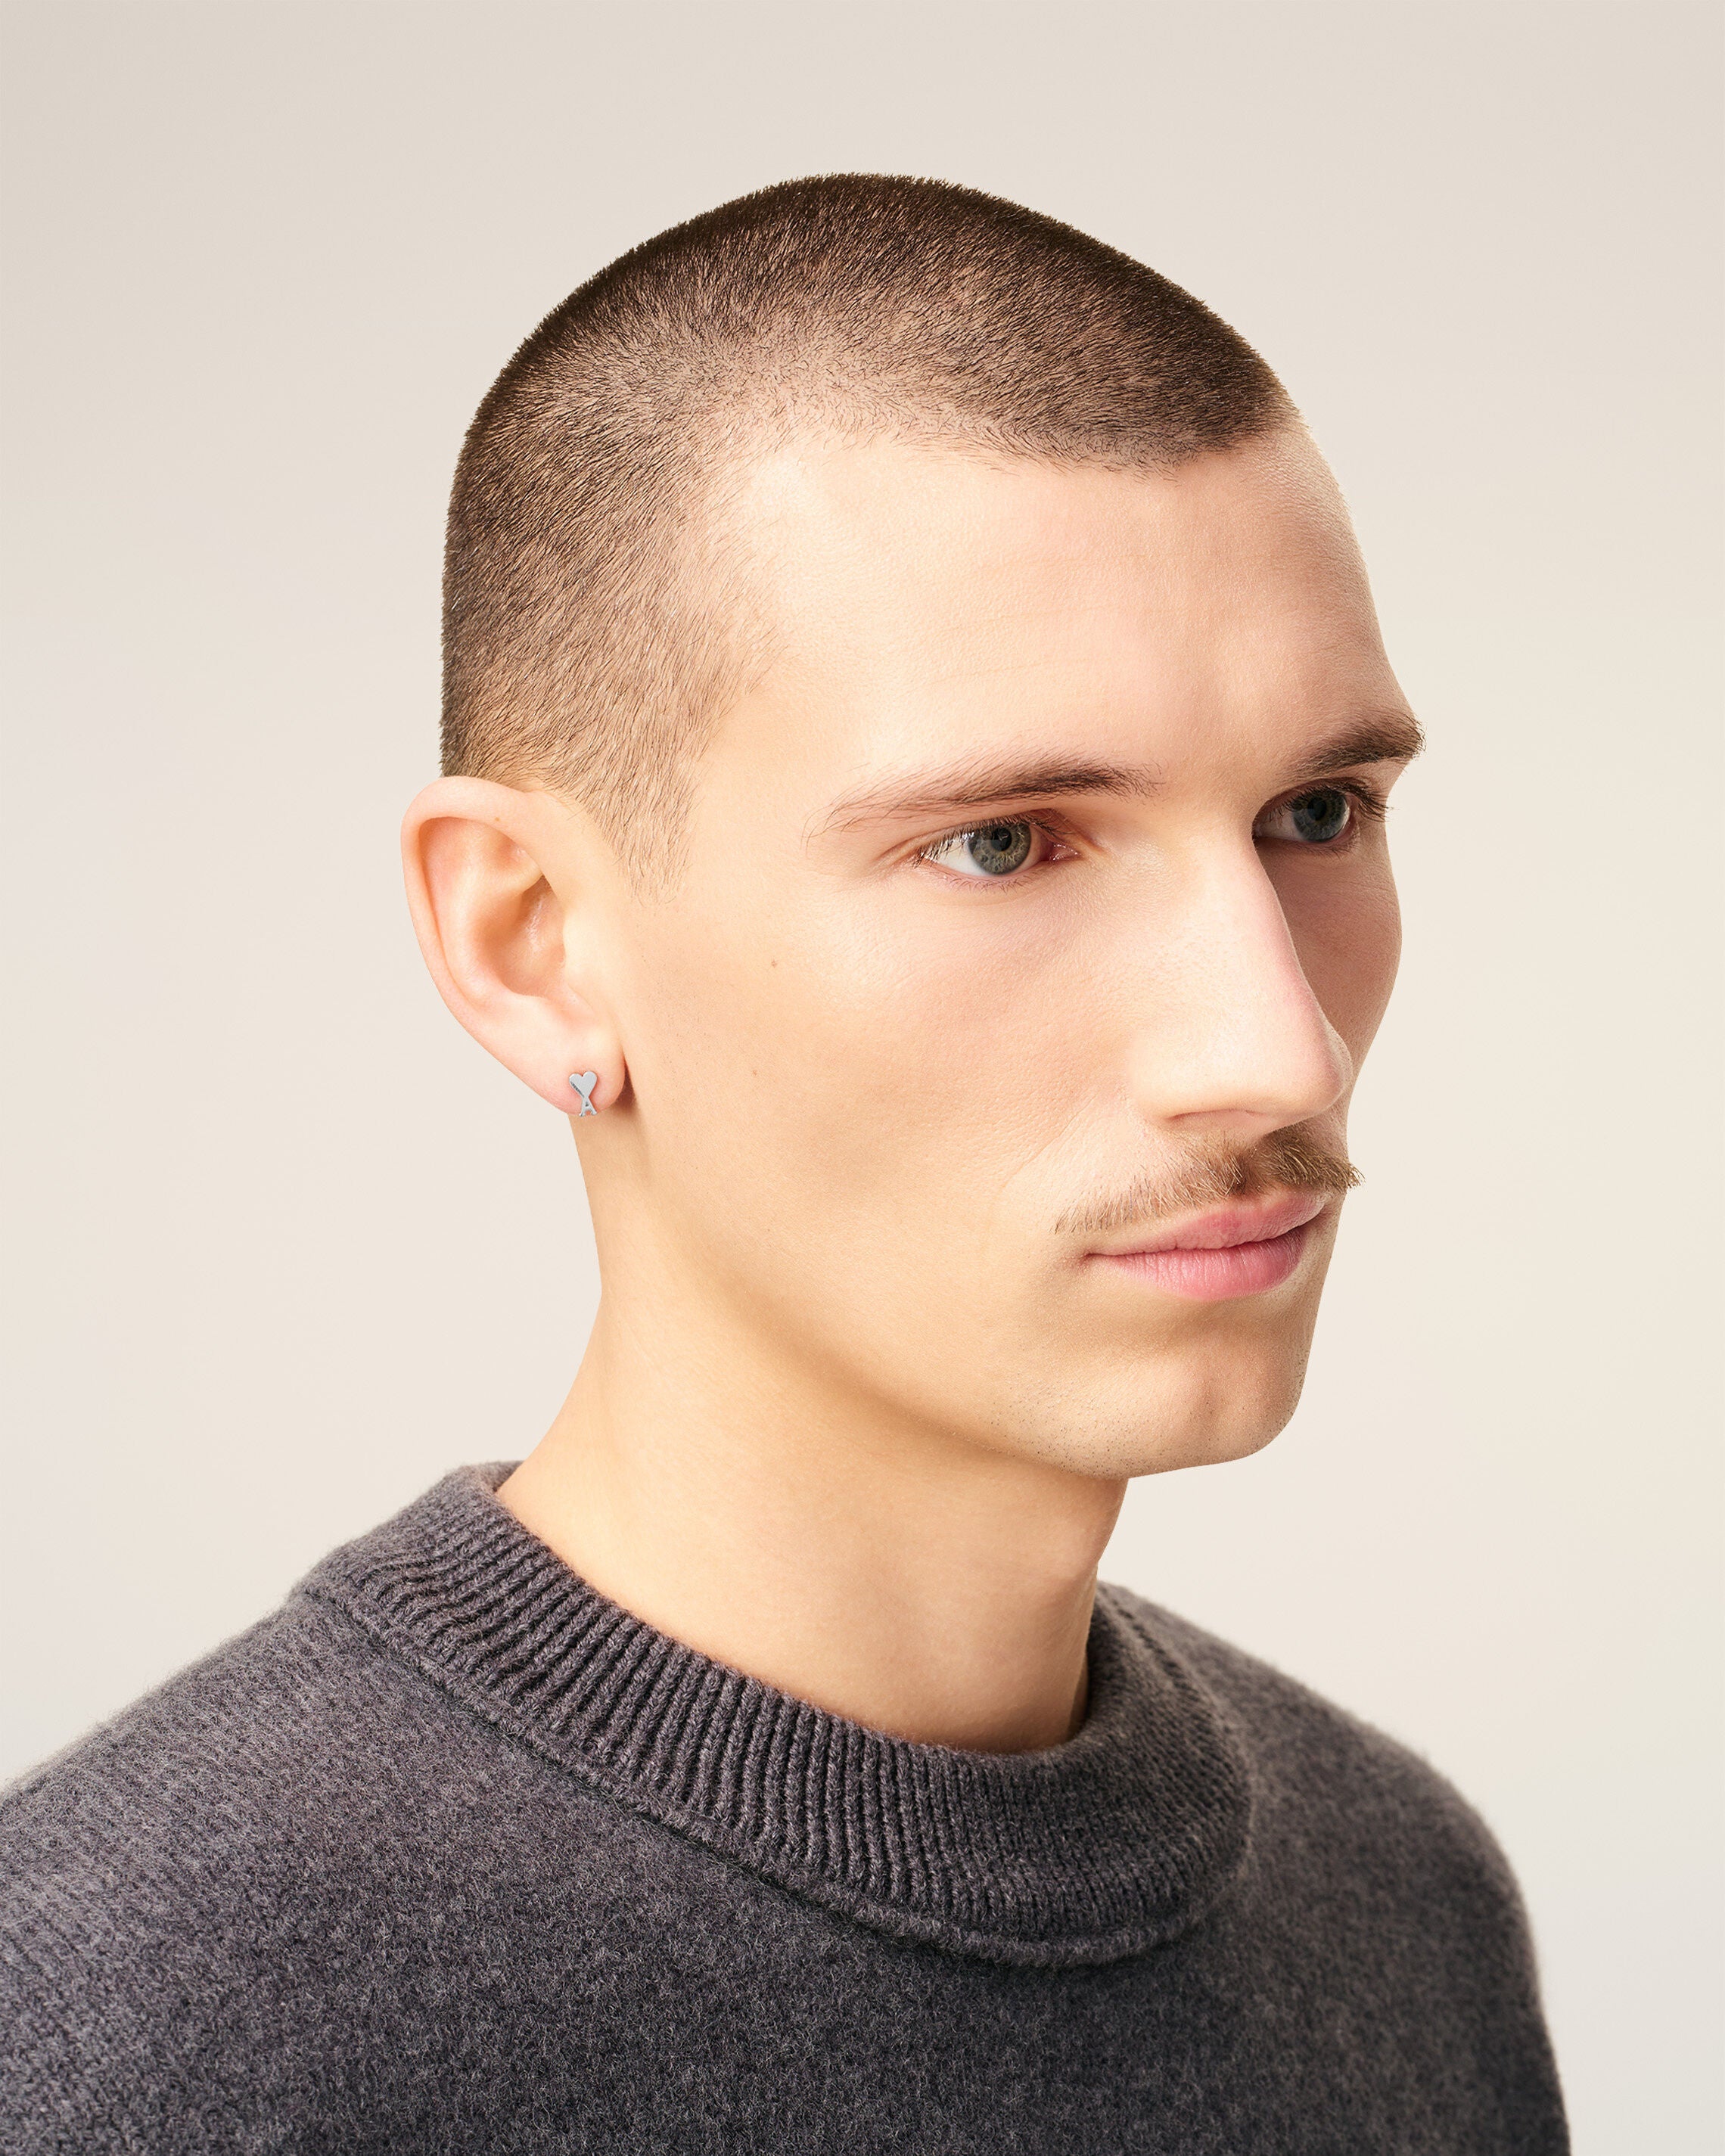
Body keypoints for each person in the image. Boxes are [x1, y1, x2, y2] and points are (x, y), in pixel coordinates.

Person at [1, 175, 1567, 2151]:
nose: (1277, 1050)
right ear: (530, 941)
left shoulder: (1399, 1903)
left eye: (1318, 810)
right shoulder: (116, 2037)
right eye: (1005, 843)